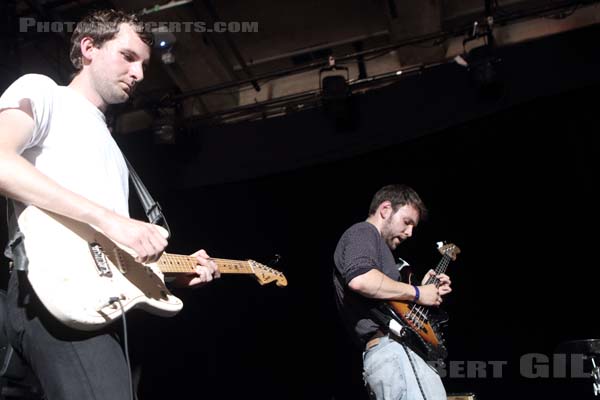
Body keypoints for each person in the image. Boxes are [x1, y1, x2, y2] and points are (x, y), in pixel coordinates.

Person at [0, 9, 220, 400]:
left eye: (144, 65)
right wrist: (112, 220)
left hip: (94, 303)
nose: (138, 73)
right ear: (89, 47)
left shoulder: (112, 148)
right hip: (48, 294)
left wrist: (165, 273)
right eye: (127, 56)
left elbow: (102, 251)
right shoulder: (44, 92)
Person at [333, 184, 452, 400]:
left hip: (397, 353)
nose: (409, 233)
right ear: (385, 209)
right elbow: (362, 279)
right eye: (407, 222)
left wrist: (425, 288)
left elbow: (389, 297)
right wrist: (417, 292)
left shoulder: (387, 256)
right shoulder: (363, 231)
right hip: (396, 350)